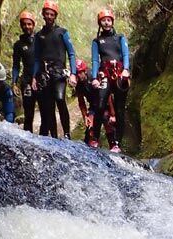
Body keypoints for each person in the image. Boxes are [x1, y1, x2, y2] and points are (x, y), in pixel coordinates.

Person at [31, 0, 77, 139]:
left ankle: (67, 134)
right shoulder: (39, 36)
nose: (49, 16)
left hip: (59, 73)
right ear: (43, 14)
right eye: (47, 14)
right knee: (49, 106)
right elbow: (37, 58)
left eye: (52, 14)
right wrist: (34, 77)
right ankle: (54, 136)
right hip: (45, 74)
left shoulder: (62, 32)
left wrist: (73, 73)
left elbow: (71, 53)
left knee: (60, 99)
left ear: (55, 16)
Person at [89, 7, 130, 153]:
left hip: (119, 74)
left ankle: (117, 143)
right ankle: (95, 138)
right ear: (100, 23)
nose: (106, 23)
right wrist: (94, 77)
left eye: (108, 20)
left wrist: (126, 69)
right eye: (103, 21)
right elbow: (95, 60)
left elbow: (125, 55)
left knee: (119, 109)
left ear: (112, 22)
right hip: (104, 74)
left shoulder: (120, 38)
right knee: (100, 105)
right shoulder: (97, 41)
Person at [74, 59, 116, 148]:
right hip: (93, 107)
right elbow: (81, 102)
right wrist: (85, 116)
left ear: (85, 71)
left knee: (107, 121)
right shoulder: (78, 84)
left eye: (80, 73)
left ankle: (113, 145)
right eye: (77, 73)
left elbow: (108, 95)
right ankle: (92, 146)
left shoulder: (94, 76)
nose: (79, 75)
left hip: (105, 105)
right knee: (90, 128)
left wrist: (112, 113)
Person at [12, 10, 37, 133]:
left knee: (47, 113)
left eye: (29, 24)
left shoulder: (40, 39)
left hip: (41, 80)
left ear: (33, 25)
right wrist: (14, 82)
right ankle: (28, 139)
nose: (27, 26)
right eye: (24, 24)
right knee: (29, 114)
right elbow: (16, 65)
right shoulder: (18, 45)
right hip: (27, 81)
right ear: (21, 26)